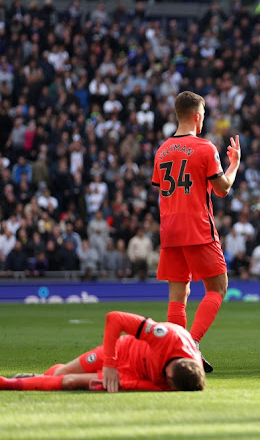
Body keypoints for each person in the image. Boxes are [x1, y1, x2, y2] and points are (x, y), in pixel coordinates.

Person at [152, 91, 241, 374]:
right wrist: (235, 164)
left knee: (178, 294)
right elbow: (222, 189)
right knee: (218, 287)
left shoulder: (162, 150)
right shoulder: (204, 148)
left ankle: (177, 352)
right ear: (198, 117)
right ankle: (191, 342)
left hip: (169, 229)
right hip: (198, 227)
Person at [0, 311, 205, 392]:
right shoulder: (167, 337)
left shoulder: (182, 379)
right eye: (170, 385)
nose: (169, 390)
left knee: (71, 382)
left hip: (131, 374)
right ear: (169, 375)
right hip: (122, 351)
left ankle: (8, 383)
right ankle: (39, 377)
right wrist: (109, 365)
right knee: (60, 374)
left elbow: (152, 386)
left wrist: (119, 384)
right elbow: (115, 318)